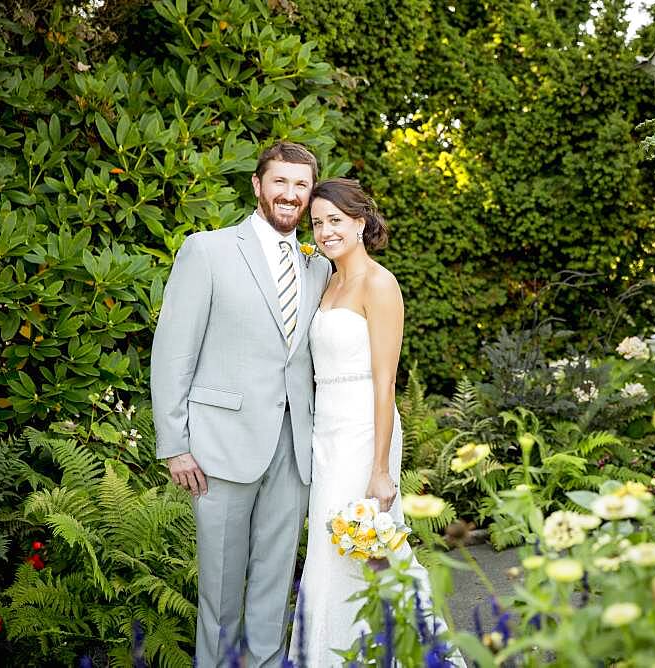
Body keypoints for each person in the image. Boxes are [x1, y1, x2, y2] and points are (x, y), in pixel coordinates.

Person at [151, 142, 331, 667]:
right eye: (280, 182)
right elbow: (172, 352)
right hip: (219, 448)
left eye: (301, 186)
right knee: (221, 596)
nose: (290, 195)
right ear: (257, 186)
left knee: (274, 594)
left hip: (294, 451)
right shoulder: (207, 250)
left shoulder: (318, 267)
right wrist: (175, 445)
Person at [291, 179, 454, 666]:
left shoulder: (379, 284)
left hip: (365, 430)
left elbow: (385, 384)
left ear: (360, 223)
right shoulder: (327, 279)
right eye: (317, 223)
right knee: (328, 553)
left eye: (335, 221)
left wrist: (381, 469)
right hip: (326, 434)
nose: (324, 231)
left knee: (365, 552)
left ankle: (416, 652)